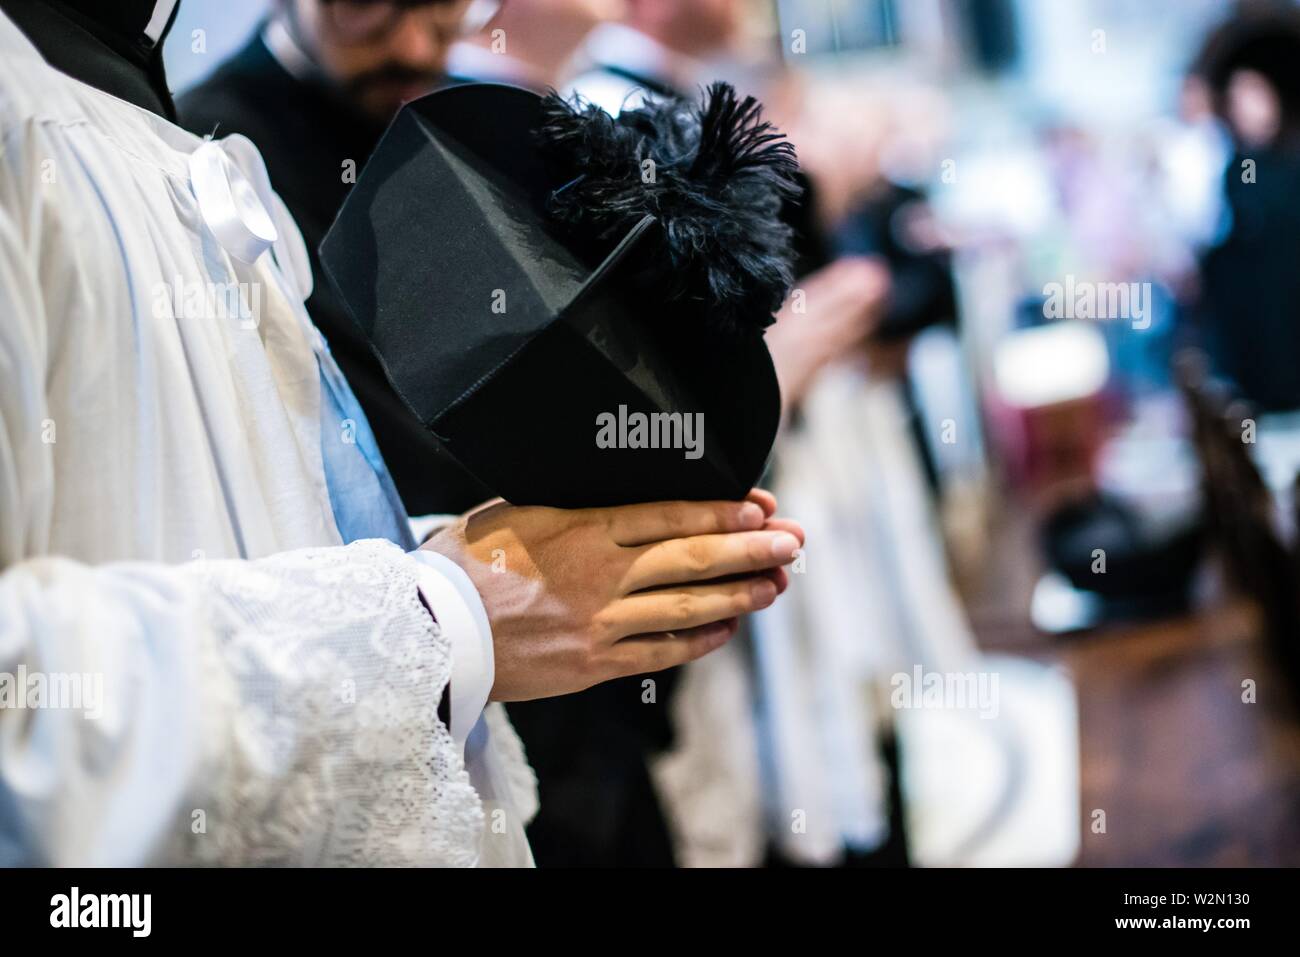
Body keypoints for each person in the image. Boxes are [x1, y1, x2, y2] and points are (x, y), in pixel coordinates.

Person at [0, 0, 804, 866]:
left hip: (566, 733)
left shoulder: (146, 110)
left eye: (453, 9)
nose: (420, 45)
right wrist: (442, 616)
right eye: (377, 8)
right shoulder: (68, 117)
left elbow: (271, 515)